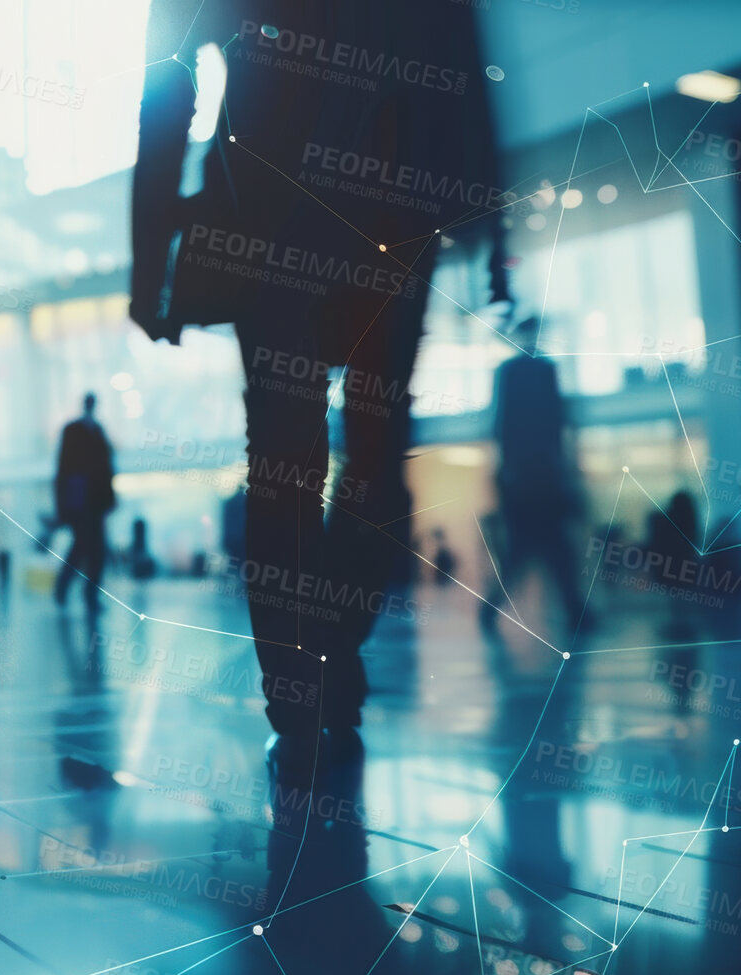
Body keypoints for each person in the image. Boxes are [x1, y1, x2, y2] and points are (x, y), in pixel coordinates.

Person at [130, 0, 507, 735]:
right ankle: (308, 665)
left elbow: (166, 81)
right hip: (348, 213)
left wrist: (152, 260)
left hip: (311, 213)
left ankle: (309, 663)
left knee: (300, 455)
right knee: (354, 447)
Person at [481, 331, 586, 633]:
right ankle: (575, 609)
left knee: (526, 561)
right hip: (539, 490)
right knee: (553, 558)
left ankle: (574, 608)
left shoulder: (514, 373)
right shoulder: (540, 373)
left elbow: (502, 428)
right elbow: (554, 427)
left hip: (527, 491)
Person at [53, 394, 116, 610]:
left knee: (96, 551)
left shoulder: (97, 431)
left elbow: (106, 469)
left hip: (96, 503)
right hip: (79, 503)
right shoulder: (73, 431)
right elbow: (63, 469)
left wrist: (109, 498)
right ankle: (63, 588)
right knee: (81, 547)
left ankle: (88, 595)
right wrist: (63, 505)